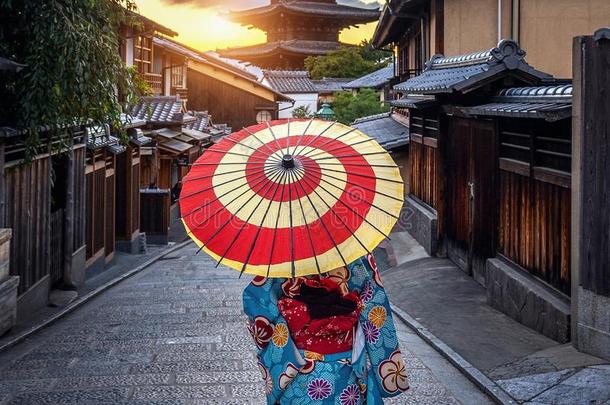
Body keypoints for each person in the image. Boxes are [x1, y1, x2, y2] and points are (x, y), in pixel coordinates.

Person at [243, 254, 410, 404]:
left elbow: (258, 308)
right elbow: (375, 306)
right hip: (347, 362)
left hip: (298, 363)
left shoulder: (280, 257)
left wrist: (295, 319)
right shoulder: (354, 251)